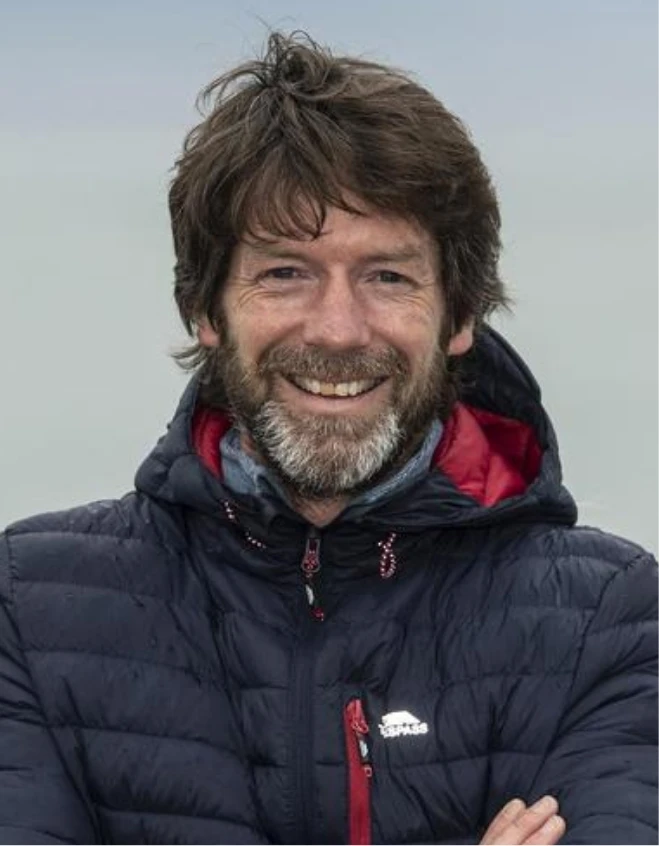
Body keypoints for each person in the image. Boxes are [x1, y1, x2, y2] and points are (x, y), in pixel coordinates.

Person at [0, 31, 656, 846]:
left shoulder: (610, 616)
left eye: (387, 275)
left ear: (457, 315)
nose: (339, 330)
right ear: (204, 309)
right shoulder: (30, 608)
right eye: (284, 272)